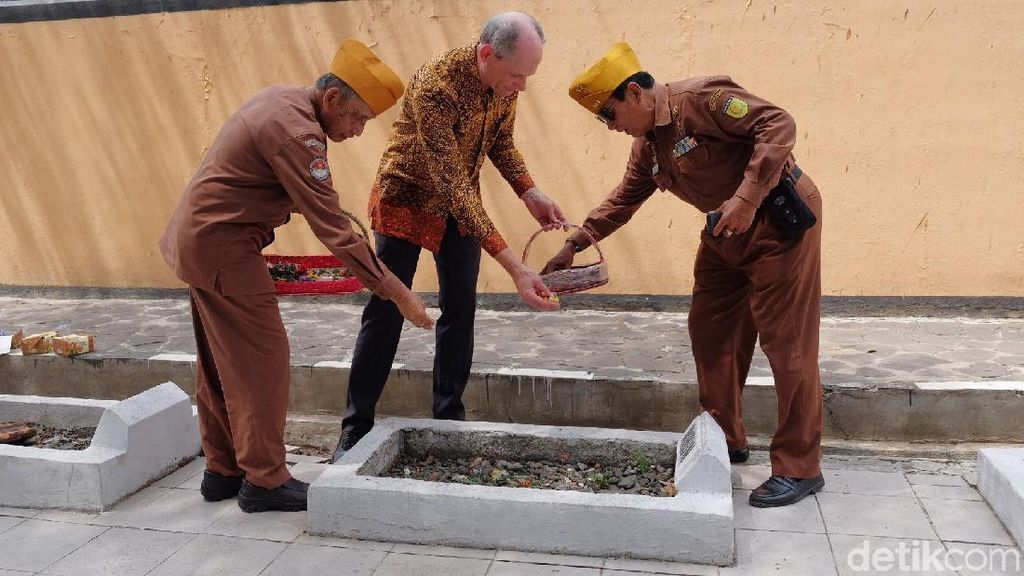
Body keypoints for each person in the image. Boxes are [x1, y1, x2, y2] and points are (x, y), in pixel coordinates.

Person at [546, 42, 825, 507]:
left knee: (787, 342)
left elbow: (778, 124)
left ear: (634, 92)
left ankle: (799, 467)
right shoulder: (647, 147)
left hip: (778, 221)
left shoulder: (702, 100)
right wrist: (575, 243)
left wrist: (746, 199)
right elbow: (624, 198)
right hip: (725, 231)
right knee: (710, 329)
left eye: (609, 114)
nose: (610, 126)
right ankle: (724, 439)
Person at [160, 39, 432, 513]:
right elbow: (335, 230)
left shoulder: (282, 99)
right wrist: (398, 293)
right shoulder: (299, 134)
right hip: (224, 246)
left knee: (221, 362)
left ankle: (223, 470)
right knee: (262, 360)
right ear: (332, 98)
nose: (357, 131)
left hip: (200, 238)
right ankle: (264, 480)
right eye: (357, 118)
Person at [331, 12, 566, 462]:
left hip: (460, 210)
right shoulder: (435, 84)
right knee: (387, 309)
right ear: (487, 54)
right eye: (518, 75)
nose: (522, 86)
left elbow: (501, 143)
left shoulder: (504, 84)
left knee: (461, 309)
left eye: (527, 76)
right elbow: (452, 184)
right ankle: (354, 428)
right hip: (406, 198)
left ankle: (448, 421)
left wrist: (528, 190)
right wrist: (515, 267)